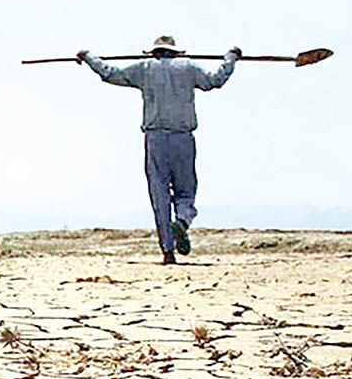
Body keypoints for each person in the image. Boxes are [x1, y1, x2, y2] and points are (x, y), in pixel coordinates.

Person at [77, 35, 241, 264]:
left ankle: (167, 251)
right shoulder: (188, 66)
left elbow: (109, 73)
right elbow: (215, 80)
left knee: (159, 195)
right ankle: (182, 221)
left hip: (155, 140)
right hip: (183, 137)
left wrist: (88, 57)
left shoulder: (144, 68)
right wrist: (231, 57)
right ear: (176, 51)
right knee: (186, 191)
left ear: (154, 52)